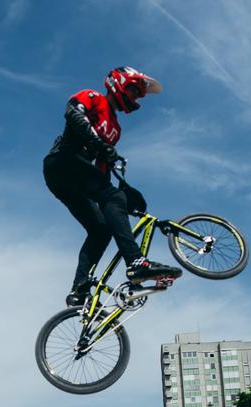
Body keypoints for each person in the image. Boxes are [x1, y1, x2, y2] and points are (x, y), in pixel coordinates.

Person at [43, 66, 181, 307]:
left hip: (73, 178)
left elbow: (102, 179)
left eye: (139, 95)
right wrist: (96, 144)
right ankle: (136, 262)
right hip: (63, 160)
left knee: (101, 228)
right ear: (118, 84)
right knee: (112, 198)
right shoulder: (93, 97)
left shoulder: (115, 130)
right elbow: (72, 114)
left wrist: (124, 199)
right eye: (133, 91)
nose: (135, 98)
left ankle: (79, 288)